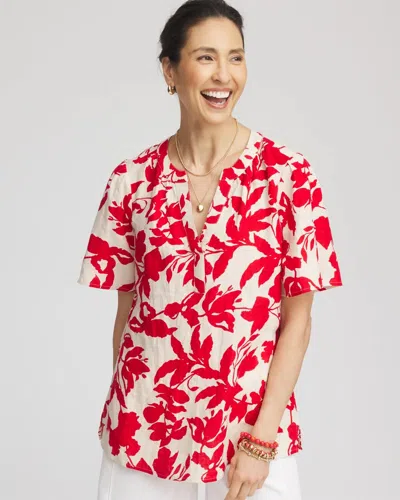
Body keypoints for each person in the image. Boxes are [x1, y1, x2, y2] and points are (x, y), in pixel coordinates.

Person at [77, 1, 343, 499]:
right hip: (142, 440)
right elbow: (128, 316)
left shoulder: (288, 176)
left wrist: (261, 443)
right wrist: (128, 413)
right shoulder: (131, 181)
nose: (224, 74)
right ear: (169, 71)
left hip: (249, 441)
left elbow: (299, 322)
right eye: (206, 57)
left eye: (235, 57)